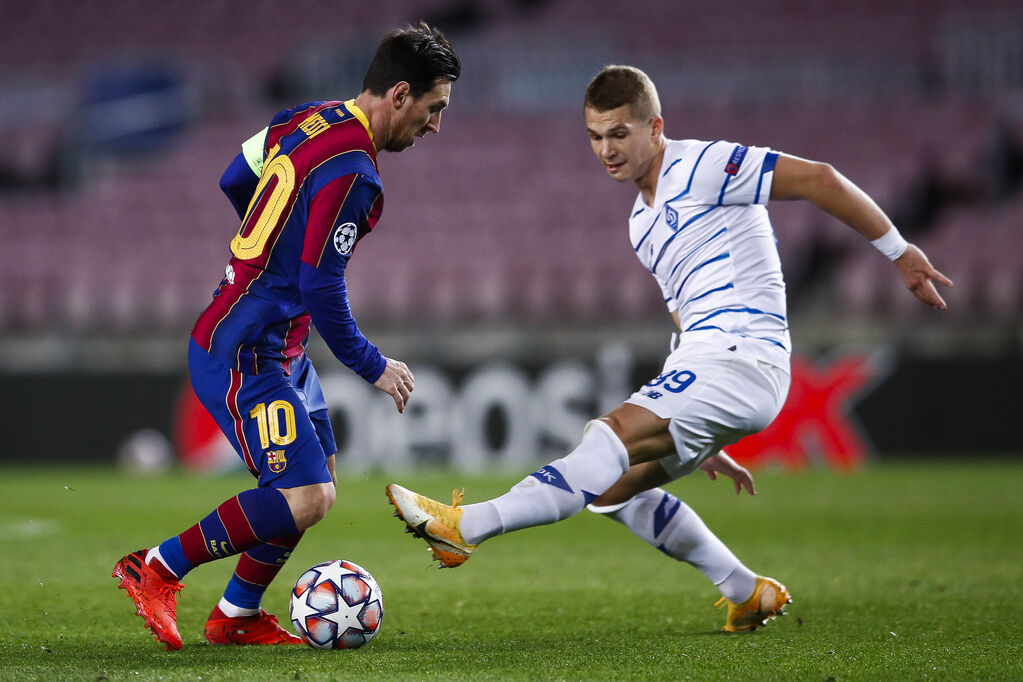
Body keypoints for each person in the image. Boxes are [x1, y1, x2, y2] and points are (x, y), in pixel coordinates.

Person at [386, 65, 952, 633]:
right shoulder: (641, 222)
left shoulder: (703, 165)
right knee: (608, 489)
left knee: (604, 438)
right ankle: (744, 589)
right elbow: (683, 318)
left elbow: (821, 178)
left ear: (655, 127)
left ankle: (467, 526)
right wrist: (699, 431)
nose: (606, 150)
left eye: (619, 133)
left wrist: (899, 252)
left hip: (743, 356)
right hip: (707, 366)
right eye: (594, 137)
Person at [112, 22, 460, 650]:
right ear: (401, 94)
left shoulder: (309, 118)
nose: (435, 126)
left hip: (275, 343)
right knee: (305, 494)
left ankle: (236, 614)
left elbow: (233, 178)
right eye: (434, 110)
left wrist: (265, 249)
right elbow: (323, 288)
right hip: (245, 348)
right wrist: (374, 366)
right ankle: (155, 568)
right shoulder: (357, 173)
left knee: (316, 475)